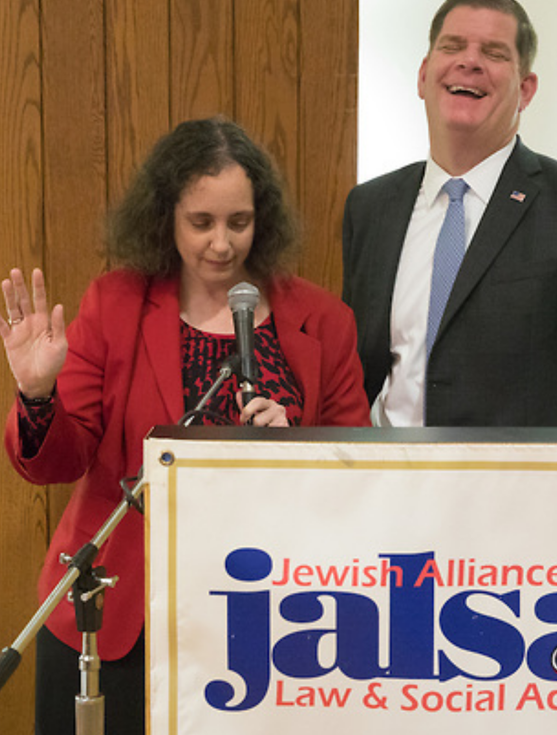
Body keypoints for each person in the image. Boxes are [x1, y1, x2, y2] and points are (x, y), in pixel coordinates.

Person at [2, 115, 370, 734]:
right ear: (166, 217)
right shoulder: (115, 304)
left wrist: (299, 449)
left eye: (239, 223)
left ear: (264, 218)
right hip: (124, 616)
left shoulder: (322, 320)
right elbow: (64, 460)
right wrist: (38, 395)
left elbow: (359, 473)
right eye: (201, 223)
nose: (221, 244)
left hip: (273, 624)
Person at [342, 0, 557, 428]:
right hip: (385, 484)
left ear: (525, 89)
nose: (469, 61)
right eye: (452, 46)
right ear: (422, 74)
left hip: (519, 489)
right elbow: (354, 371)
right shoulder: (371, 207)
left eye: (493, 53)